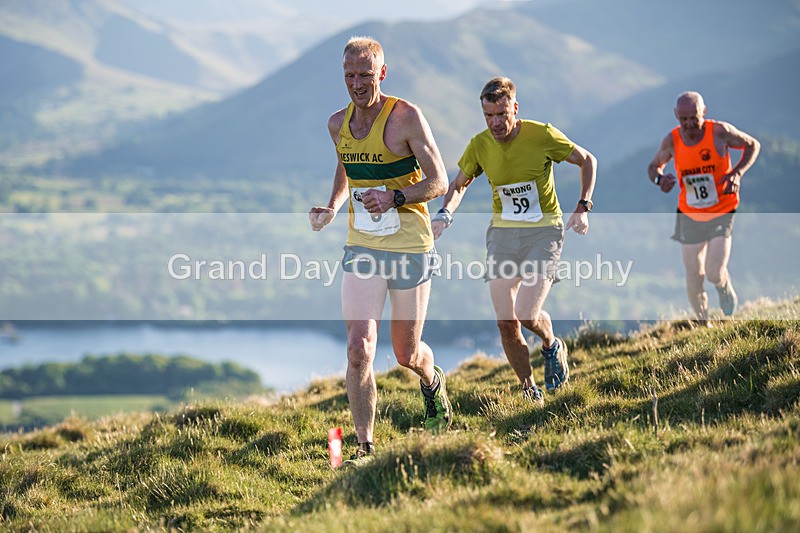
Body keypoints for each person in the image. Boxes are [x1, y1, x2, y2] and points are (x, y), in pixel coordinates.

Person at [309, 36, 452, 463]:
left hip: (410, 245)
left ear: (382, 74)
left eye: (365, 75)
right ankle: (364, 446)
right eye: (349, 75)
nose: (357, 84)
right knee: (359, 347)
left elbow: (439, 181)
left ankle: (431, 382)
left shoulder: (406, 117)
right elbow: (345, 162)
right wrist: (334, 205)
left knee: (407, 353)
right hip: (363, 246)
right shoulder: (338, 123)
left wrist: (395, 197)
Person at [431, 77, 597, 404]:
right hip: (503, 236)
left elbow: (587, 160)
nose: (495, 123)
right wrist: (445, 213)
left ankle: (551, 345)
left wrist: (583, 206)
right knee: (506, 323)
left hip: (544, 232)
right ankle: (529, 390)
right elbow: (459, 184)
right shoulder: (479, 145)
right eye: (488, 116)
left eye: (502, 114)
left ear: (515, 109)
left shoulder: (542, 135)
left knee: (526, 314)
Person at [647, 91, 760, 325]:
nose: (689, 124)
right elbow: (653, 166)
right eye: (683, 119)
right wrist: (660, 180)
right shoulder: (672, 140)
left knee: (713, 271)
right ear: (676, 115)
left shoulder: (719, 132)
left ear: (704, 112)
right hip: (689, 213)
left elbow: (752, 145)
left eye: (694, 118)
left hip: (722, 208)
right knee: (693, 275)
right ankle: (702, 323)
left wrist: (737, 172)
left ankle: (722, 284)